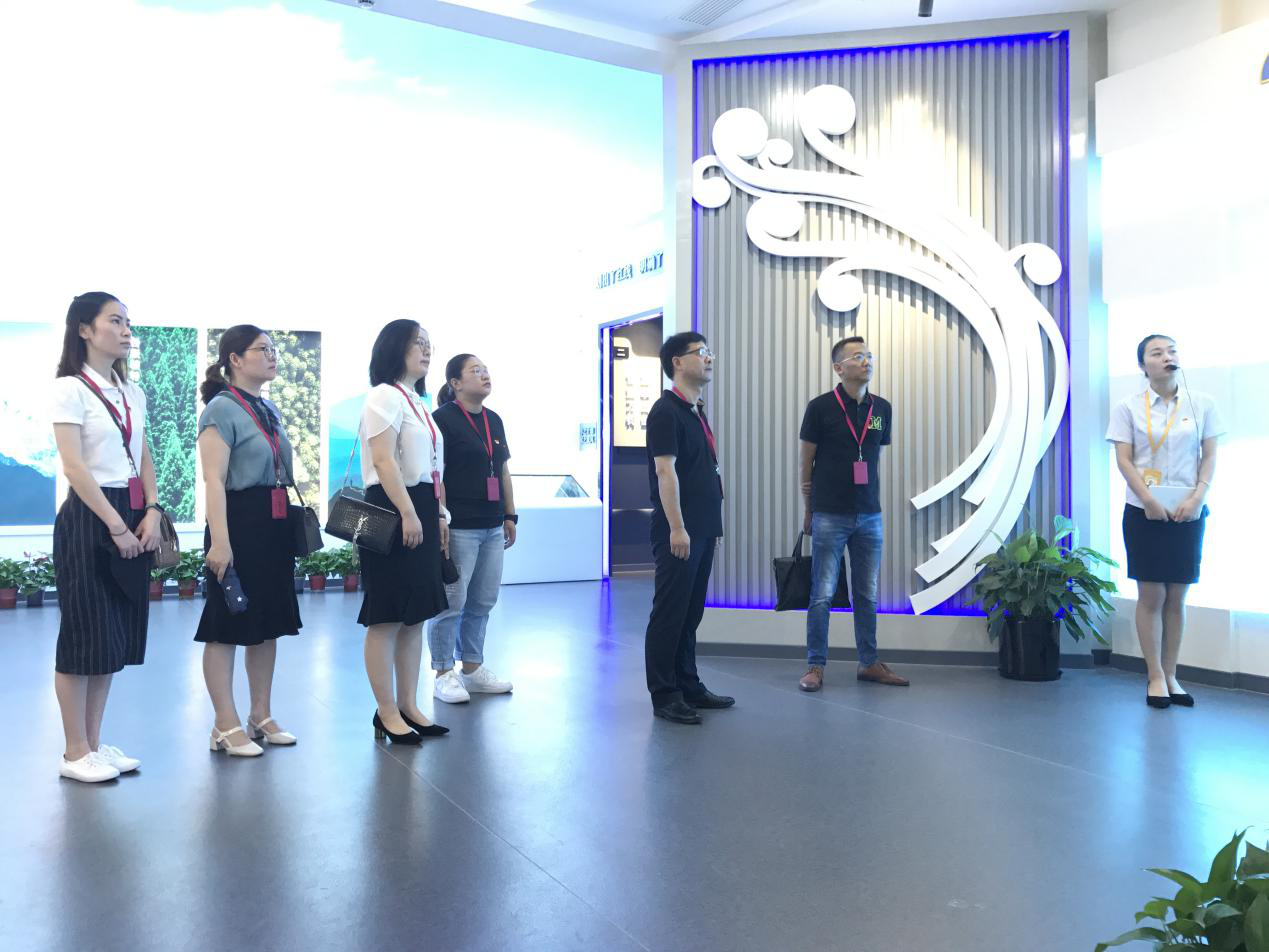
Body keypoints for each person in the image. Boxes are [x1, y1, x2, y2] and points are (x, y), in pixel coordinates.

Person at [49, 292, 160, 782]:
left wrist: (152, 510)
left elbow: (144, 454)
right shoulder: (70, 388)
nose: (125, 330)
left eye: (127, 322)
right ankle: (74, 752)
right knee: (83, 633)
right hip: (90, 515)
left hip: (133, 511)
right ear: (84, 329)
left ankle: (94, 745)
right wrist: (115, 526)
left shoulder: (131, 391)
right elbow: (74, 466)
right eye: (114, 321)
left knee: (111, 633)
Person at [196, 325, 304, 756]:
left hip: (272, 524)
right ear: (235, 359)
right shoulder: (221, 409)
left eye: (274, 349)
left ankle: (261, 714)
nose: (273, 355)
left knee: (268, 622)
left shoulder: (267, 407)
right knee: (226, 624)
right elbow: (214, 481)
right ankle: (225, 724)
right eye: (263, 349)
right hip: (237, 523)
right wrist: (220, 542)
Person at [1106, 334, 1223, 709]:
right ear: (1143, 365)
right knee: (1152, 594)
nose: (1167, 356)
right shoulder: (1128, 407)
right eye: (1157, 353)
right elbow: (1124, 460)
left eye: (1172, 351)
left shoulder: (1202, 403)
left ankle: (1172, 674)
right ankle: (1154, 675)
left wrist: (1198, 497)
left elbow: (1209, 455)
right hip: (1144, 510)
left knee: (1177, 595)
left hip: (1189, 509)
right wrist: (1148, 500)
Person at [357, 320, 450, 743]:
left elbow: (429, 467)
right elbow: (383, 461)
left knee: (415, 616)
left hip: (421, 507)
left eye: (428, 344)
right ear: (395, 347)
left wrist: (439, 515)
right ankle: (386, 711)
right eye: (417, 343)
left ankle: (410, 705)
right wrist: (409, 513)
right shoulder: (384, 395)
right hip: (392, 507)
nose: (426, 350)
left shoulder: (416, 400)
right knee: (387, 614)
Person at [797, 337, 908, 692]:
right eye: (858, 356)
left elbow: (874, 457)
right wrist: (809, 509)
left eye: (869, 356)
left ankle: (869, 662)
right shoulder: (820, 408)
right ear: (838, 368)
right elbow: (806, 464)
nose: (866, 361)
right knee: (822, 594)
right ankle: (815, 665)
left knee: (867, 594)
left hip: (870, 515)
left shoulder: (882, 409)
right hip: (829, 514)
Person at [643, 332, 734, 725]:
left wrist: (710, 527)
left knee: (691, 613)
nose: (709, 358)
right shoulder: (666, 411)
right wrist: (677, 528)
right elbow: (666, 472)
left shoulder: (695, 410)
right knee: (670, 612)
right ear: (677, 362)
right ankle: (665, 694)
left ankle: (688, 684)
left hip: (702, 528)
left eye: (709, 352)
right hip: (680, 531)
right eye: (702, 352)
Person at [428, 355, 515, 704]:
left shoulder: (494, 420)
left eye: (486, 370)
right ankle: (443, 672)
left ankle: (473, 668)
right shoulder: (442, 420)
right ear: (456, 383)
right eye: (475, 371)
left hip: (492, 525)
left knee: (482, 600)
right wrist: (441, 517)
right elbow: (437, 474)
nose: (484, 375)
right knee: (452, 601)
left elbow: (503, 470)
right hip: (460, 526)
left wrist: (510, 515)